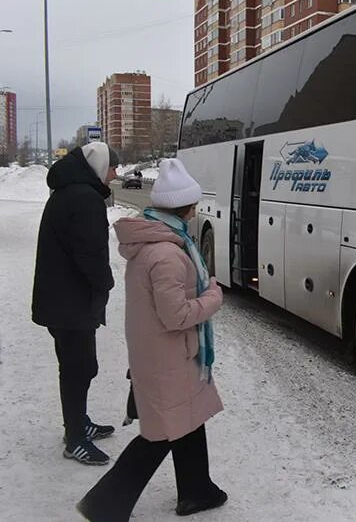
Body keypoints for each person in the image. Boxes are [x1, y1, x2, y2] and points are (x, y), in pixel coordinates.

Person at [76, 158, 227, 521]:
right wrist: (212, 298)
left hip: (164, 352)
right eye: (195, 204)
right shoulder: (167, 254)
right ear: (186, 207)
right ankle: (104, 505)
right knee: (162, 433)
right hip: (168, 355)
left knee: (187, 419)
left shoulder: (160, 240)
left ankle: (197, 489)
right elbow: (176, 315)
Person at [32, 142, 119, 465]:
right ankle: (75, 438)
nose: (116, 174)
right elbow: (90, 253)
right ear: (100, 167)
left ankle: (78, 422)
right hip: (71, 302)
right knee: (77, 368)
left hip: (64, 299)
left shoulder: (70, 191)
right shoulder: (85, 199)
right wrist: (106, 283)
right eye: (113, 167)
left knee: (79, 366)